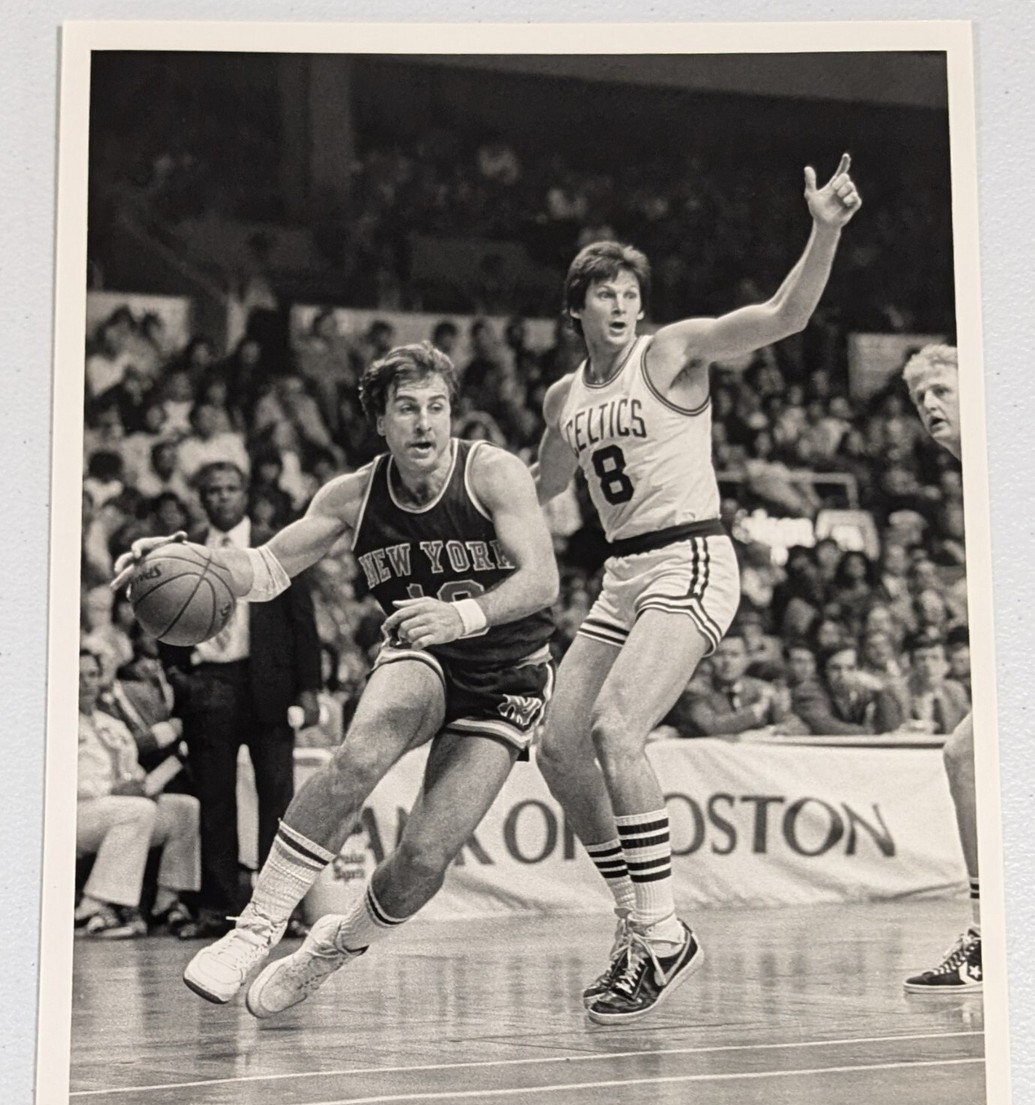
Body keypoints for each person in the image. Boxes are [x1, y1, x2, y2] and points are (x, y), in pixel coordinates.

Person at [114, 342, 558, 1015]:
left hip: (509, 674)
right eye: (406, 408)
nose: (424, 423)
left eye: (436, 407)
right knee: (359, 753)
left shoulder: (492, 473)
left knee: (421, 863)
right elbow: (263, 569)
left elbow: (542, 581)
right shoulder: (350, 495)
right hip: (422, 653)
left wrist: (461, 614)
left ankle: (332, 947)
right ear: (379, 419)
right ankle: (253, 931)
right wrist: (183, 555)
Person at [532, 155, 861, 1023]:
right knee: (559, 746)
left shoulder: (671, 350)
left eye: (629, 288)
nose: (621, 301)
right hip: (620, 574)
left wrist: (822, 228)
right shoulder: (562, 395)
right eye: (604, 291)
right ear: (577, 308)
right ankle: (639, 919)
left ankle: (664, 932)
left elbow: (785, 317)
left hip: (690, 558)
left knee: (615, 728)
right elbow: (540, 488)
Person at [155, 461, 321, 940]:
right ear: (200, 499)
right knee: (215, 802)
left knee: (278, 803)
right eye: (213, 491)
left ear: (245, 494)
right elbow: (164, 613)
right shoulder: (184, 552)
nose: (222, 497)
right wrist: (176, 674)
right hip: (208, 682)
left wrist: (309, 688)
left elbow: (302, 622)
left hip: (268, 684)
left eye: (231, 489)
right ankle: (218, 909)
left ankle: (275, 911)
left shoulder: (275, 547)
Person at [900, 345, 982, 993]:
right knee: (966, 758)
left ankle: (992, 936)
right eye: (918, 396)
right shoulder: (967, 474)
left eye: (940, 390)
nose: (928, 403)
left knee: (968, 759)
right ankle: (991, 933)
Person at [76, 648, 201, 937]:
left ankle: (166, 901)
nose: (86, 683)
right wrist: (113, 789)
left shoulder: (113, 726)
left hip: (118, 810)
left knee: (184, 808)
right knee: (137, 810)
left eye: (92, 675)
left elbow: (132, 771)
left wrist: (146, 787)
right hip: (76, 812)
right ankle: (92, 907)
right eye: (79, 676)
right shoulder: (54, 723)